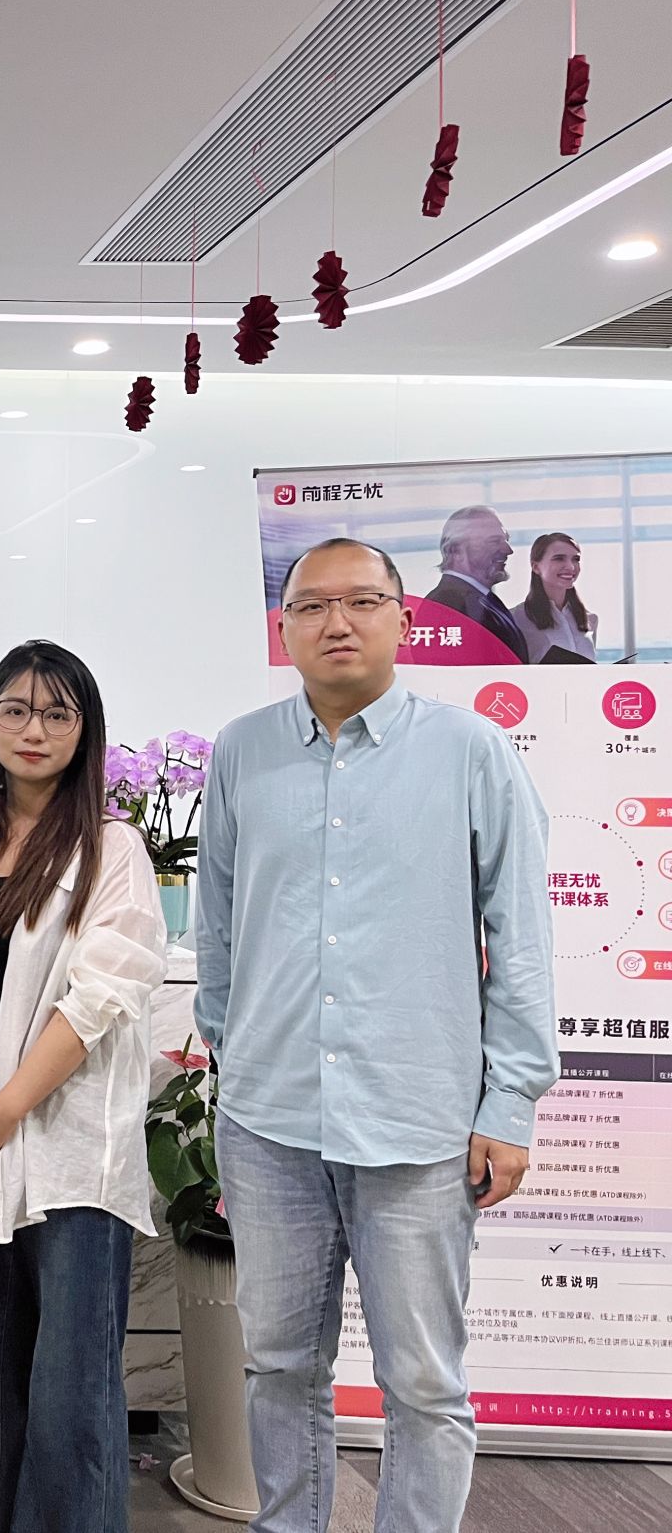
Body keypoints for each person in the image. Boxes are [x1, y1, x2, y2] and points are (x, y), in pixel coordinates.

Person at [197, 537, 556, 1533]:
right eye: (312, 606)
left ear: (405, 617)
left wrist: (509, 1100)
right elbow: (218, 925)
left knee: (423, 1382)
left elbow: (520, 937)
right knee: (278, 1366)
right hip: (269, 1122)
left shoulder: (469, 751)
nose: (337, 622)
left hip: (418, 1121)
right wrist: (233, 1057)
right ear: (284, 629)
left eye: (360, 601)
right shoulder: (241, 750)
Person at [0, 641, 167, 1533]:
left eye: (57, 712)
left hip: (65, 1119)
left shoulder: (113, 846)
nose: (33, 729)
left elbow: (100, 995)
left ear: (85, 730)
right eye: (16, 709)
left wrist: (5, 1106)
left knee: (70, 1375)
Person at [422, 505, 529, 662]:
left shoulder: (481, 599)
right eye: (494, 541)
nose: (508, 550)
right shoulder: (446, 606)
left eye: (506, 540)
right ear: (455, 551)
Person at [511, 531, 599, 664]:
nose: (570, 567)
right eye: (559, 558)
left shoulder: (590, 619)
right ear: (536, 567)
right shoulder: (516, 618)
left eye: (576, 559)